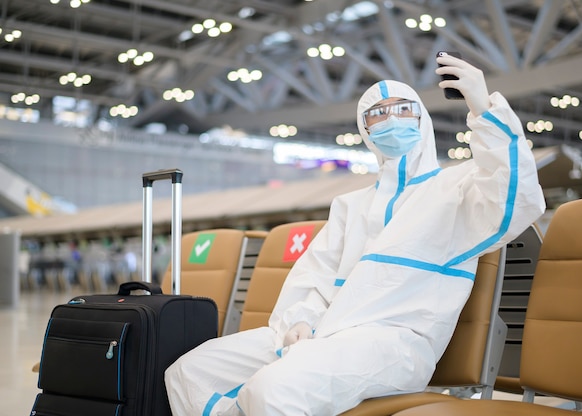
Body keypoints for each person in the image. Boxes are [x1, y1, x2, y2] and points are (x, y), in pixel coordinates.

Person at [164, 53, 546, 415]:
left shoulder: (456, 188)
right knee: (189, 372)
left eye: (402, 109)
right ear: (366, 131)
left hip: (393, 343)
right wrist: (299, 320)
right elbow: (316, 275)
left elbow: (517, 197)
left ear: (422, 119)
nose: (391, 119)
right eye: (378, 114)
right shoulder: (350, 205)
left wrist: (484, 109)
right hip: (321, 334)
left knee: (273, 391)